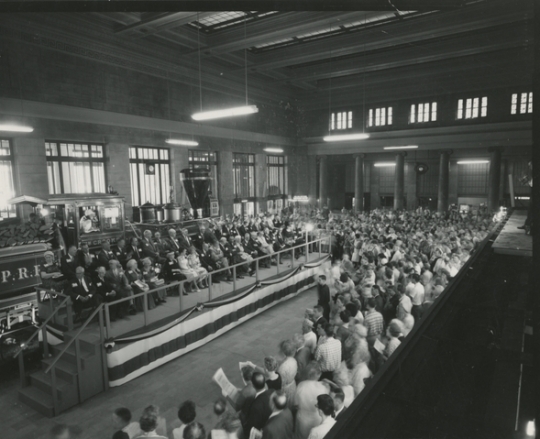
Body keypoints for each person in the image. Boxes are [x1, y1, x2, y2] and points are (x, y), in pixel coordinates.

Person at [293, 362, 330, 439]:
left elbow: (295, 404)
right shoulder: (323, 387)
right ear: (318, 375)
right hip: (317, 418)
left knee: (301, 435)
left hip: (303, 419)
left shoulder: (301, 385)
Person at [243, 372, 273, 436]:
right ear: (264, 383)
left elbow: (252, 427)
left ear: (253, 385)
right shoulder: (272, 392)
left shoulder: (256, 406)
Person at [277, 339, 298, 407]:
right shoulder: (294, 360)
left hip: (286, 388)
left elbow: (281, 381)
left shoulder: (283, 367)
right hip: (292, 384)